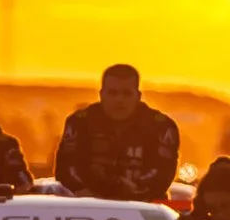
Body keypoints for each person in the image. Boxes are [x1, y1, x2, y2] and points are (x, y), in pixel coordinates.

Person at [54, 64, 180, 202]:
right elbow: (67, 167)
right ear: (101, 94)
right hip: (84, 200)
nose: (119, 100)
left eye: (127, 93)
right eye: (113, 93)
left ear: (138, 96)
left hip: (143, 203)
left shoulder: (161, 126)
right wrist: (83, 191)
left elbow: (162, 172)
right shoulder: (79, 121)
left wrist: (135, 188)